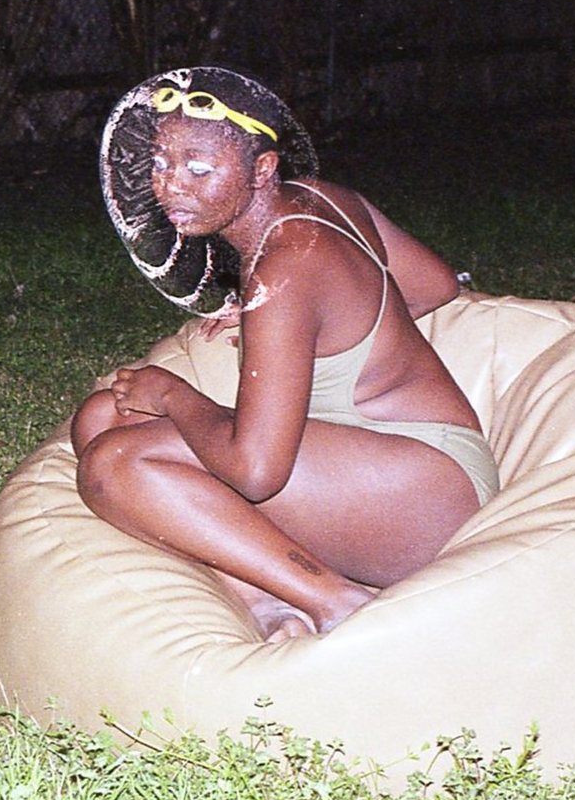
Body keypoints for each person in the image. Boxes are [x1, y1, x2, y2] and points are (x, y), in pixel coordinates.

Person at [72, 69, 498, 641]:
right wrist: (305, 325)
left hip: (428, 497)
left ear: (262, 169)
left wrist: (174, 394)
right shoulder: (321, 198)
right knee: (102, 416)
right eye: (160, 163)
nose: (170, 186)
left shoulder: (286, 269)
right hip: (369, 463)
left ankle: (336, 601)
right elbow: (436, 285)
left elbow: (255, 472)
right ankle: (267, 594)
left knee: (114, 465)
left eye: (199, 168)